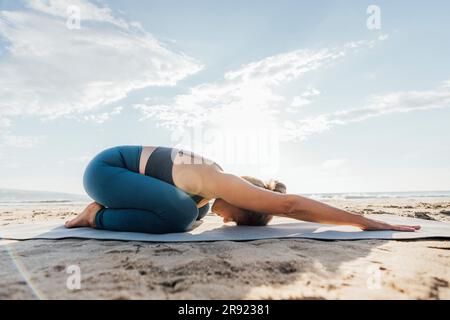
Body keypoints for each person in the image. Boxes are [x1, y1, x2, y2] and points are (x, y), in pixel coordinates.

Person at [65, 145, 421, 234]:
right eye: (237, 221)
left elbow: (294, 214)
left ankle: (101, 210)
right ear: (242, 202)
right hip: (106, 170)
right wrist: (363, 221)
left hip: (125, 178)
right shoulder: (218, 182)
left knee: (192, 216)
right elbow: (291, 207)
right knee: (180, 216)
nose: (227, 222)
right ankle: (94, 215)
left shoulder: (208, 196)